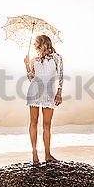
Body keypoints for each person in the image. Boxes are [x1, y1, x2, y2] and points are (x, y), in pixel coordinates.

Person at [23, 34, 63, 164]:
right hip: (34, 90)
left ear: (42, 43)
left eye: (36, 43)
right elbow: (31, 78)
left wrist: (59, 92)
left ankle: (47, 154)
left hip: (49, 92)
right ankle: (34, 153)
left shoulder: (57, 57)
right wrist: (27, 66)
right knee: (33, 122)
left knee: (47, 125)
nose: (34, 45)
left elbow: (61, 75)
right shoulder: (34, 59)